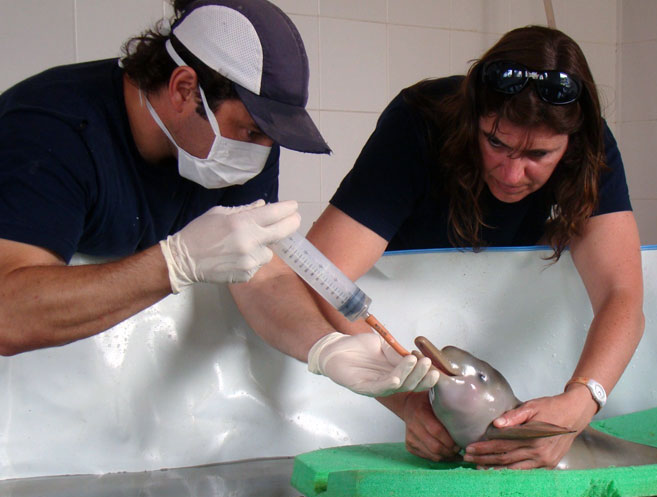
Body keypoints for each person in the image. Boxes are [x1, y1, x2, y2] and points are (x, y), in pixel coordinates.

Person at [252, 25, 645, 469]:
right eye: (496, 142)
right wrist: (404, 403)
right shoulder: (420, 122)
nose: (513, 175)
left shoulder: (590, 146)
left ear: (571, 145)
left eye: (539, 155)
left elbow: (622, 295)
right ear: (471, 117)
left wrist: (581, 401)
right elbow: (322, 276)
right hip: (388, 343)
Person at [0, 0, 436, 398]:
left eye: (270, 137)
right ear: (184, 89)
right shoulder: (50, 130)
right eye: (250, 131)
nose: (261, 152)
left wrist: (323, 347)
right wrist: (174, 263)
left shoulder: (240, 149)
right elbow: (8, 315)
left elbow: (261, 276)